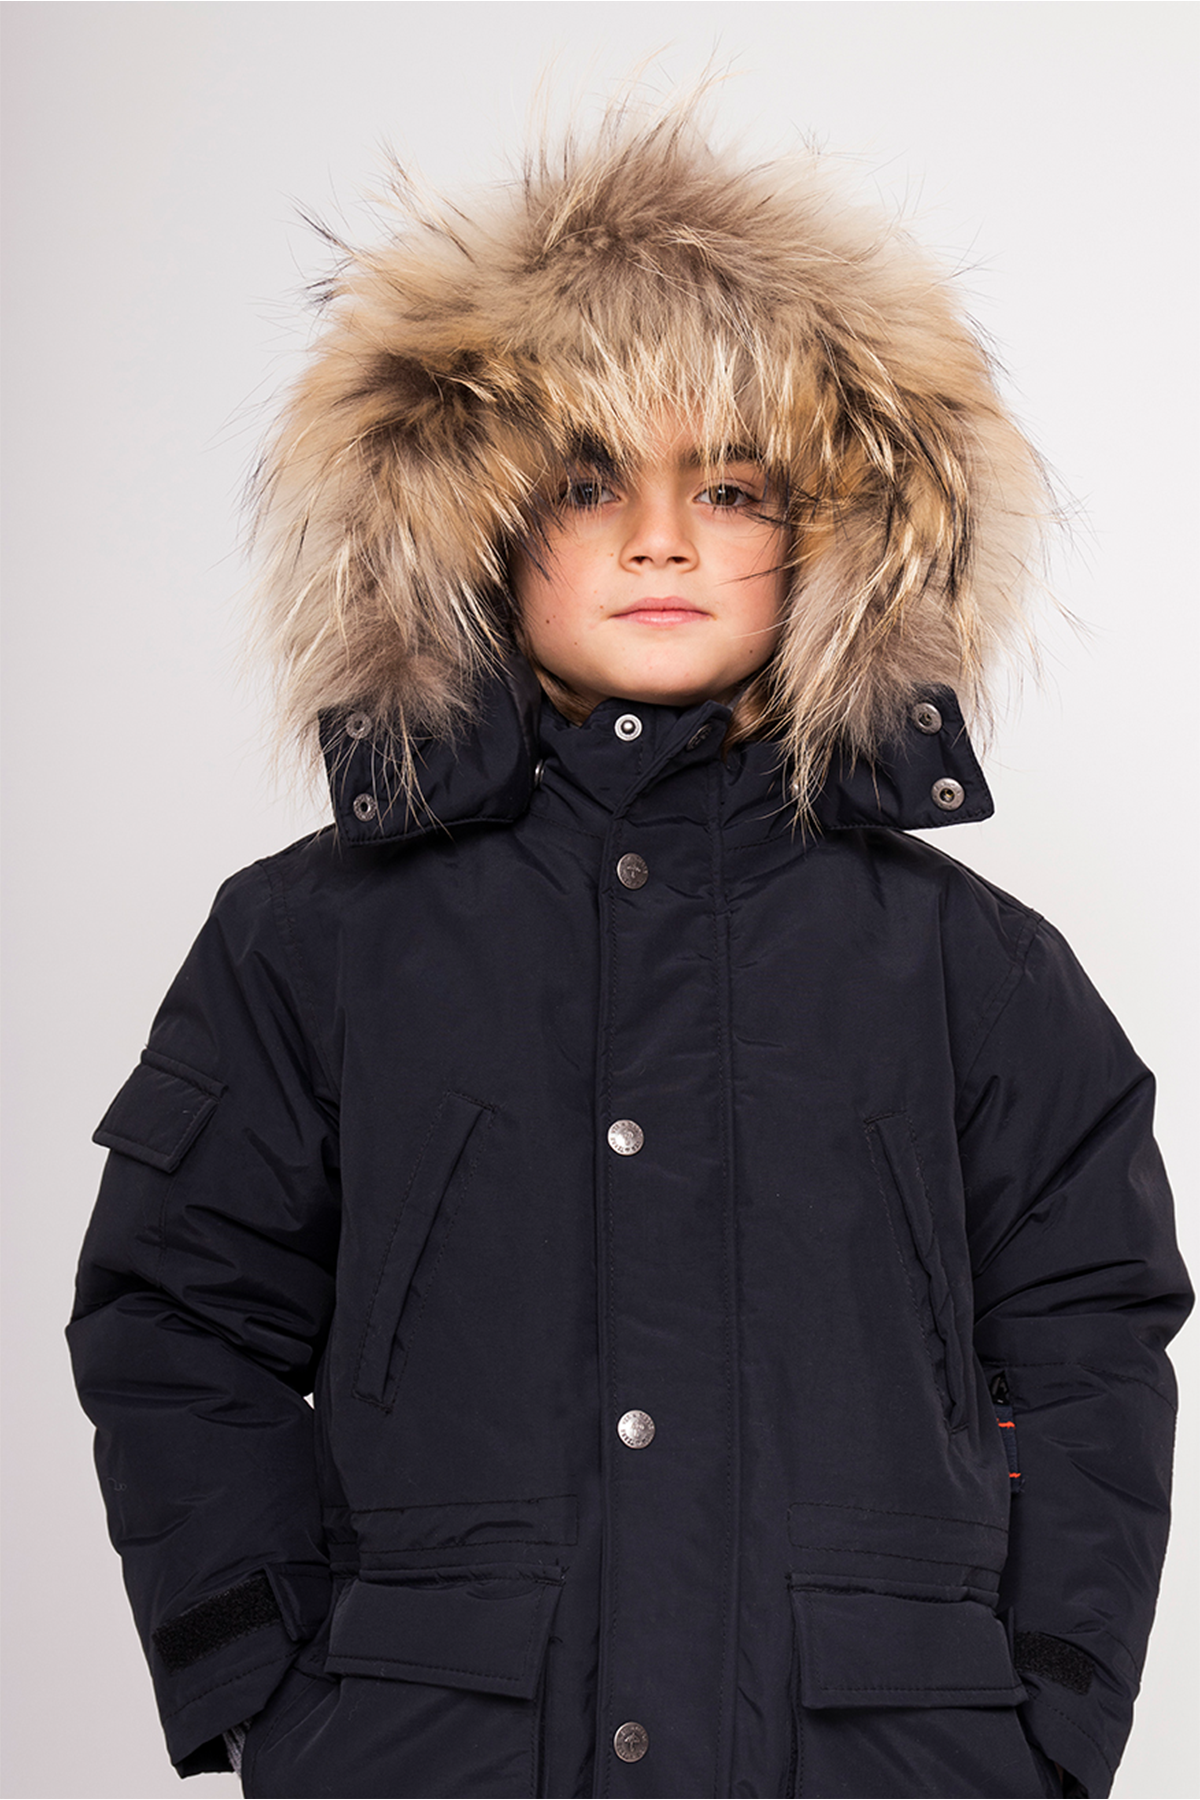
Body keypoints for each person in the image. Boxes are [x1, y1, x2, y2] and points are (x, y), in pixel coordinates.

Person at [68, 99, 1190, 1800]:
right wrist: (268, 1692)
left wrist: (1050, 1715)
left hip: (879, 1759)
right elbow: (178, 1317)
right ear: (467, 519)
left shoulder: (976, 970)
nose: (660, 538)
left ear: (836, 532)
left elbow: (1092, 1338)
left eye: (730, 485)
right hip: (441, 1751)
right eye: (589, 479)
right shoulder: (310, 944)